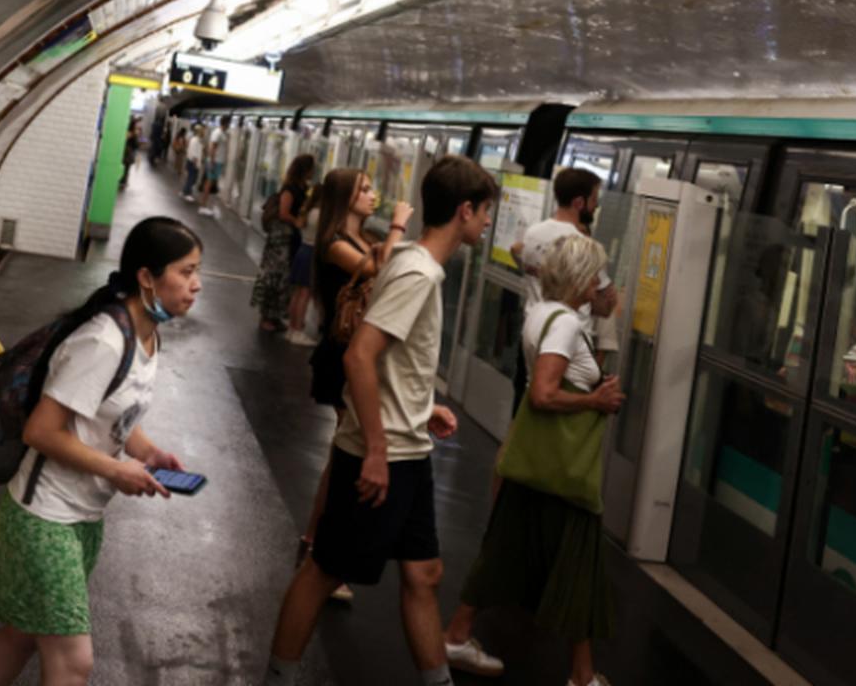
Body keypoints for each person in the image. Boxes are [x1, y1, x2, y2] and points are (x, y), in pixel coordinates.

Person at [262, 155, 497, 686]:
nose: (487, 223)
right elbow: (359, 356)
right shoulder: (418, 272)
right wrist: (373, 449)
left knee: (424, 573)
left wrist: (422, 405)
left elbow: (390, 356)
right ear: (464, 211)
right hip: (384, 452)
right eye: (485, 212)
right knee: (323, 571)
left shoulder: (415, 260)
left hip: (408, 446)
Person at [0, 217, 204, 686]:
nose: (196, 285)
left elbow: (111, 415)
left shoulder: (147, 334)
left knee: (19, 634)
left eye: (198, 271)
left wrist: (149, 452)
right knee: (74, 662)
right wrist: (118, 471)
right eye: (185, 271)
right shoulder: (104, 339)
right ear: (146, 277)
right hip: (43, 520)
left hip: (82, 518)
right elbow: (42, 431)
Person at [444, 234, 625, 685]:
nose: (599, 283)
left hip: (530, 464)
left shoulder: (539, 313)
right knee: (579, 566)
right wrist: (595, 401)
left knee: (502, 551)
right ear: (582, 278)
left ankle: (457, 633)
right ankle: (582, 677)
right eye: (595, 274)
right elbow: (543, 394)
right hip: (563, 471)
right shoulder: (564, 323)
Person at [299, 167, 406, 603]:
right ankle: (322, 553)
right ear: (345, 198)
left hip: (353, 357)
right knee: (348, 454)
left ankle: (313, 543)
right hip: (340, 359)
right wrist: (398, 227)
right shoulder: (334, 244)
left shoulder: (362, 240)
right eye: (364, 189)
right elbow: (380, 273)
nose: (373, 195)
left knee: (342, 453)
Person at [510, 169, 613, 405]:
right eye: (594, 199)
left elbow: (516, 251)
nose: (596, 206)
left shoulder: (533, 233)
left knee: (526, 395)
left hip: (534, 326)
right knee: (554, 404)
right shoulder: (583, 246)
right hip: (568, 341)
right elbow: (605, 304)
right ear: (579, 202)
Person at [252, 154, 315, 332]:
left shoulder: (303, 187)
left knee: (285, 277)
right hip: (281, 237)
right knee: (274, 274)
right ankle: (267, 316)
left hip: (292, 237)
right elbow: (283, 213)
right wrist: (297, 221)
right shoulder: (290, 188)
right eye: (311, 168)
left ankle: (276, 315)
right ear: (305, 169)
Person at [284, 180, 323, 347]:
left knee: (297, 292)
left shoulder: (308, 211)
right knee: (304, 295)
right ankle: (298, 330)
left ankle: (292, 328)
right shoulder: (321, 214)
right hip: (312, 253)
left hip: (303, 249)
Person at [199, 117, 230, 215]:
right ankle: (203, 206)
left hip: (218, 162)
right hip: (215, 162)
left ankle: (207, 204)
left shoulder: (223, 133)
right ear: (226, 123)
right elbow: (212, 147)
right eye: (228, 123)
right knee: (209, 183)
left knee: (211, 183)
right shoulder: (217, 133)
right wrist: (212, 162)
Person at [181, 126, 204, 201]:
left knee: (191, 178)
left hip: (193, 162)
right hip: (193, 162)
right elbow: (194, 152)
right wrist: (195, 163)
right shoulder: (195, 140)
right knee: (191, 178)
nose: (204, 133)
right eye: (202, 131)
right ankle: (187, 194)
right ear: (199, 132)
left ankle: (185, 191)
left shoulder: (197, 140)